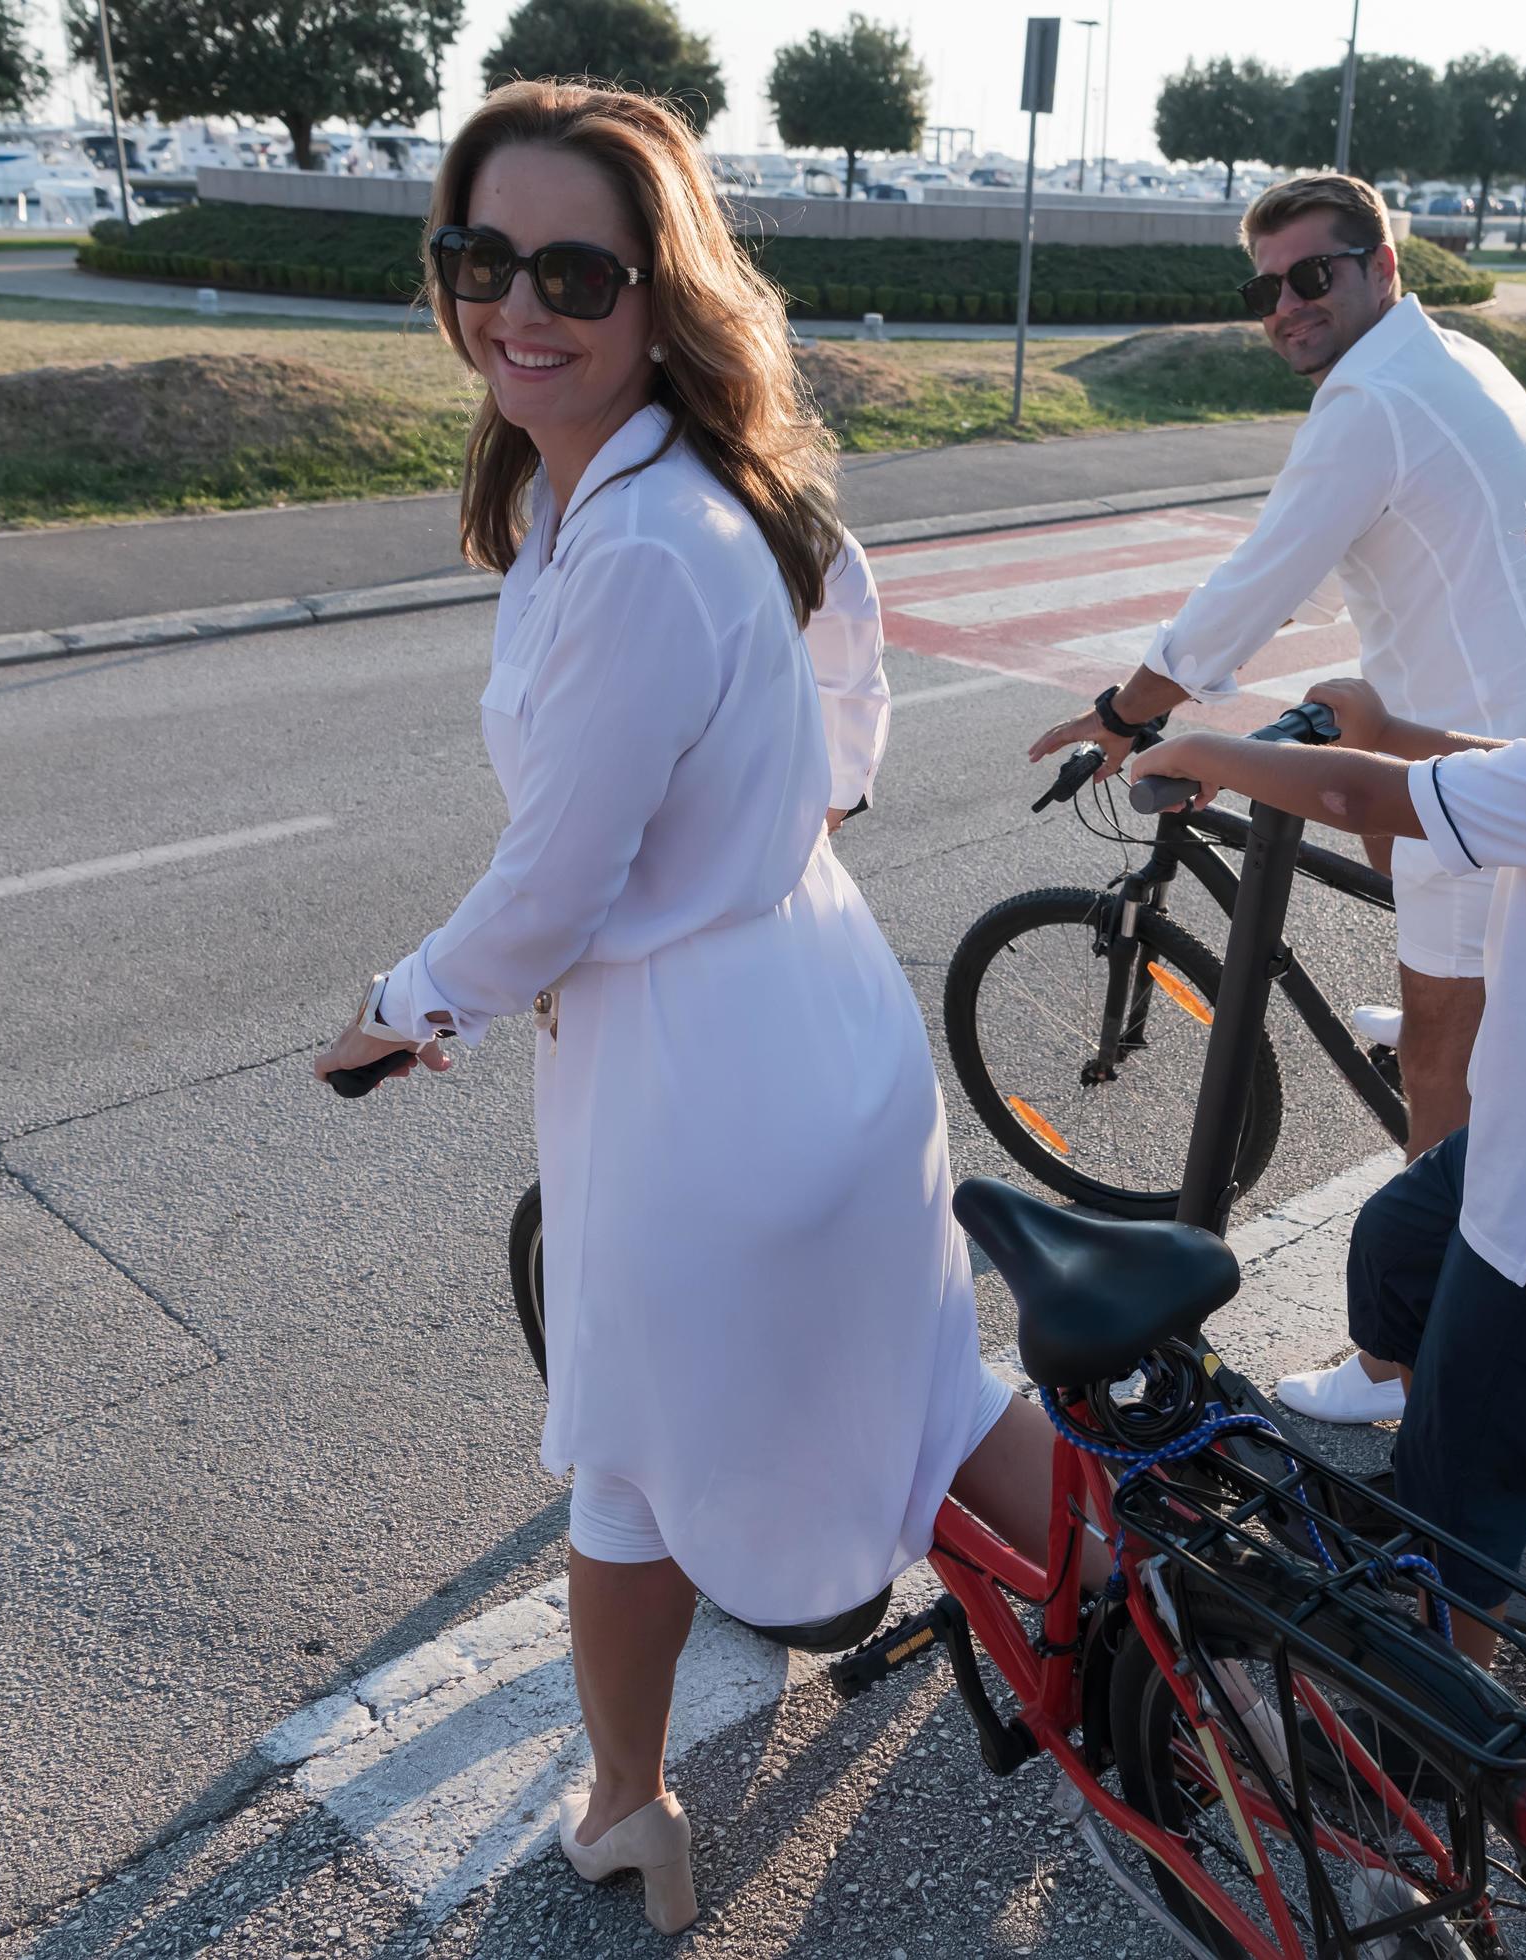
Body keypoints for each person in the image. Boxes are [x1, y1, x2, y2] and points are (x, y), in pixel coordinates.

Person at [310, 82, 1065, 1936]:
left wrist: (401, 1010)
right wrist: (766, 822)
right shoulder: (713, 480)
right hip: (815, 1002)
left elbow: (557, 882)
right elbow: (852, 705)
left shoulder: (638, 537)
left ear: (663, 291)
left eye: (575, 266)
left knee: (628, 1468)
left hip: (694, 1078)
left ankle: (629, 1804)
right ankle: (1182, 1662)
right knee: (932, 1391)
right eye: (479, 259)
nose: (518, 305)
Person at [1127, 416, 1526, 1663]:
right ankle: (1439, 1404)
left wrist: (1206, 746)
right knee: (1399, 1236)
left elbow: (1362, 803)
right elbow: (1497, 765)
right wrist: (1384, 717)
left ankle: (1447, 1700)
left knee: (1464, 1481)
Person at [1024, 172, 1526, 1428]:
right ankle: (1473, 1021)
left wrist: (1132, 712)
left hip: (1482, 772)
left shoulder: (1367, 401)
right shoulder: (1448, 360)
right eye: (1264, 285)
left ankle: (1403, 1363)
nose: (1283, 304)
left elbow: (1256, 579)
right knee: (1388, 830)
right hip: (1524, 716)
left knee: (1441, 1054)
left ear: (1382, 263)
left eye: (1310, 276)